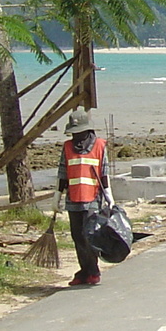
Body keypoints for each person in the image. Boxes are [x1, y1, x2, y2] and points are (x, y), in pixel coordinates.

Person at [58, 108, 109, 287]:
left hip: (92, 198)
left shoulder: (100, 145)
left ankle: (93, 271)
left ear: (87, 130)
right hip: (73, 198)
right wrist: (57, 196)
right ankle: (84, 270)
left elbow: (104, 173)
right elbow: (63, 173)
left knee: (89, 235)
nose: (75, 136)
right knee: (77, 236)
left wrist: (109, 196)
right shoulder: (67, 147)